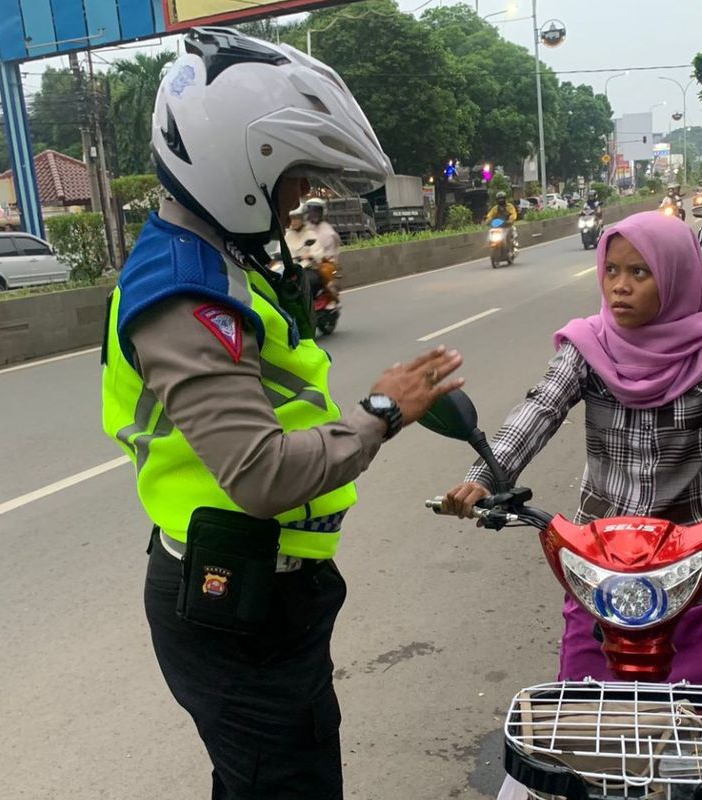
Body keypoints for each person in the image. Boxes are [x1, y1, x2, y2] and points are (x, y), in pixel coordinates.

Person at [100, 28, 465, 799]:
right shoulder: (181, 292)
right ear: (239, 165)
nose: (300, 196)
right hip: (237, 606)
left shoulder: (219, 264)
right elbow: (262, 474)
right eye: (294, 175)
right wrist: (381, 411)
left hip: (267, 594)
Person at [443, 212, 702, 693]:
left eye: (640, 273)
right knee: (580, 724)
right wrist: (486, 476)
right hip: (599, 567)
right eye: (612, 270)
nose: (619, 286)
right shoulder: (587, 345)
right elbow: (538, 410)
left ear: (676, 276)